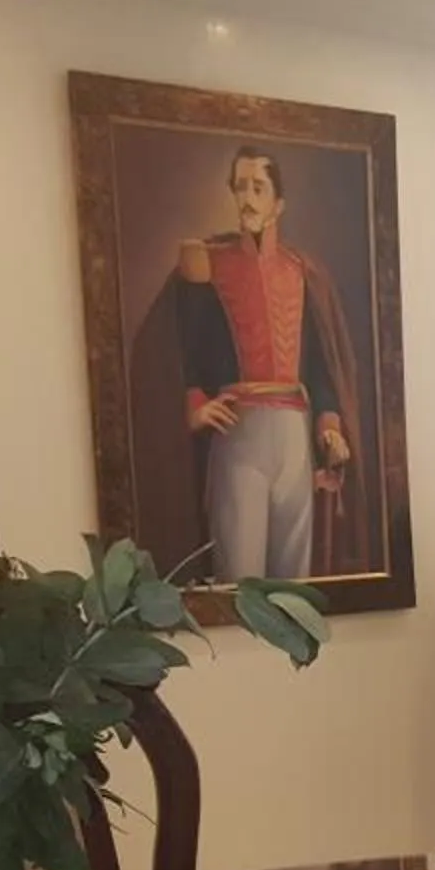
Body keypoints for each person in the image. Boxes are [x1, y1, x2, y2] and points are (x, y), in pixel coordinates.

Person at [172, 147, 367, 580]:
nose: (247, 198)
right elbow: (188, 343)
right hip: (240, 429)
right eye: (240, 187)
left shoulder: (303, 272)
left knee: (292, 585)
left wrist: (330, 428)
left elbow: (320, 362)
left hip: (295, 431)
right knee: (239, 579)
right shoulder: (208, 262)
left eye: (257, 188)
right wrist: (196, 403)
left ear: (278, 204)